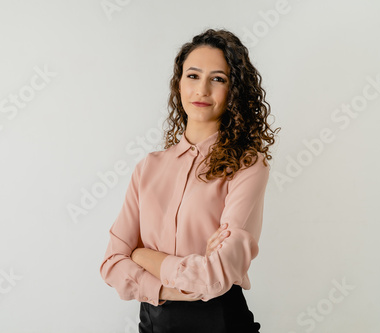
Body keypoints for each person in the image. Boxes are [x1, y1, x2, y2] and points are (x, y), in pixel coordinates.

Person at [99, 28, 280, 332]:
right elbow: (112, 263)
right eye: (193, 76)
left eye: (218, 79)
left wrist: (142, 255)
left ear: (233, 90)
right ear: (178, 83)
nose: (202, 90)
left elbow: (215, 276)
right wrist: (172, 289)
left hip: (220, 323)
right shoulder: (149, 167)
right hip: (152, 324)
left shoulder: (247, 164)